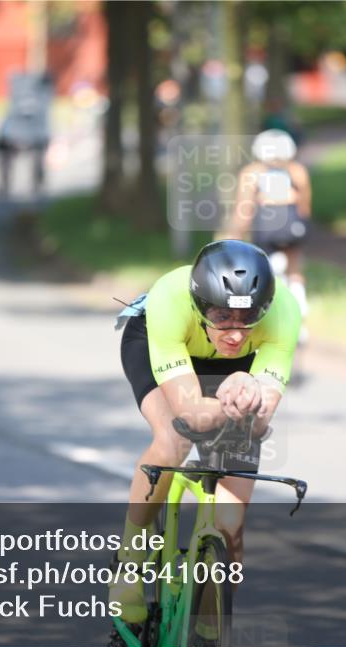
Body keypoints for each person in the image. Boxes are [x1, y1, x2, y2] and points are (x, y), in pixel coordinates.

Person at [111, 239, 301, 623]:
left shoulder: (282, 313)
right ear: (200, 305)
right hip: (162, 341)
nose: (234, 332)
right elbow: (193, 416)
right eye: (222, 317)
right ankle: (129, 558)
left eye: (247, 319)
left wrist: (248, 397)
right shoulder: (171, 300)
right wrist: (232, 401)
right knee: (174, 438)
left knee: (230, 528)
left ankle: (206, 635)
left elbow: (260, 422)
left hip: (239, 368)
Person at [221, 129, 312, 341]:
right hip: (294, 231)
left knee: (262, 274)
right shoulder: (297, 171)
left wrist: (232, 237)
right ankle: (300, 320)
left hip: (266, 233)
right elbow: (305, 207)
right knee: (295, 270)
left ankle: (269, 321)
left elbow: (244, 211)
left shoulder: (253, 172)